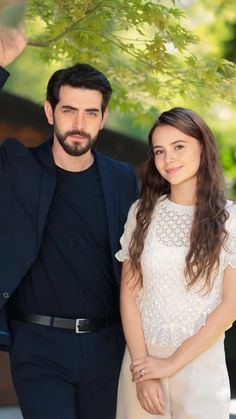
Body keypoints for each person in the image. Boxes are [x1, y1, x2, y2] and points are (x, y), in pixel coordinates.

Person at [0, 23, 139, 419]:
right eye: (69, 110)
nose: (79, 123)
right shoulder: (16, 165)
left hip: (107, 346)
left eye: (90, 112)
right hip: (38, 345)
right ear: (50, 111)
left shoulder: (121, 177)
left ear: (102, 117)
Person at [115, 107, 236, 419]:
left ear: (202, 147)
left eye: (179, 146)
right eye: (159, 151)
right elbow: (129, 294)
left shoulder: (230, 219)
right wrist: (143, 371)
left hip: (200, 367)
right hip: (142, 365)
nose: (168, 160)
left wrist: (171, 363)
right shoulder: (141, 212)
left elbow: (230, 306)